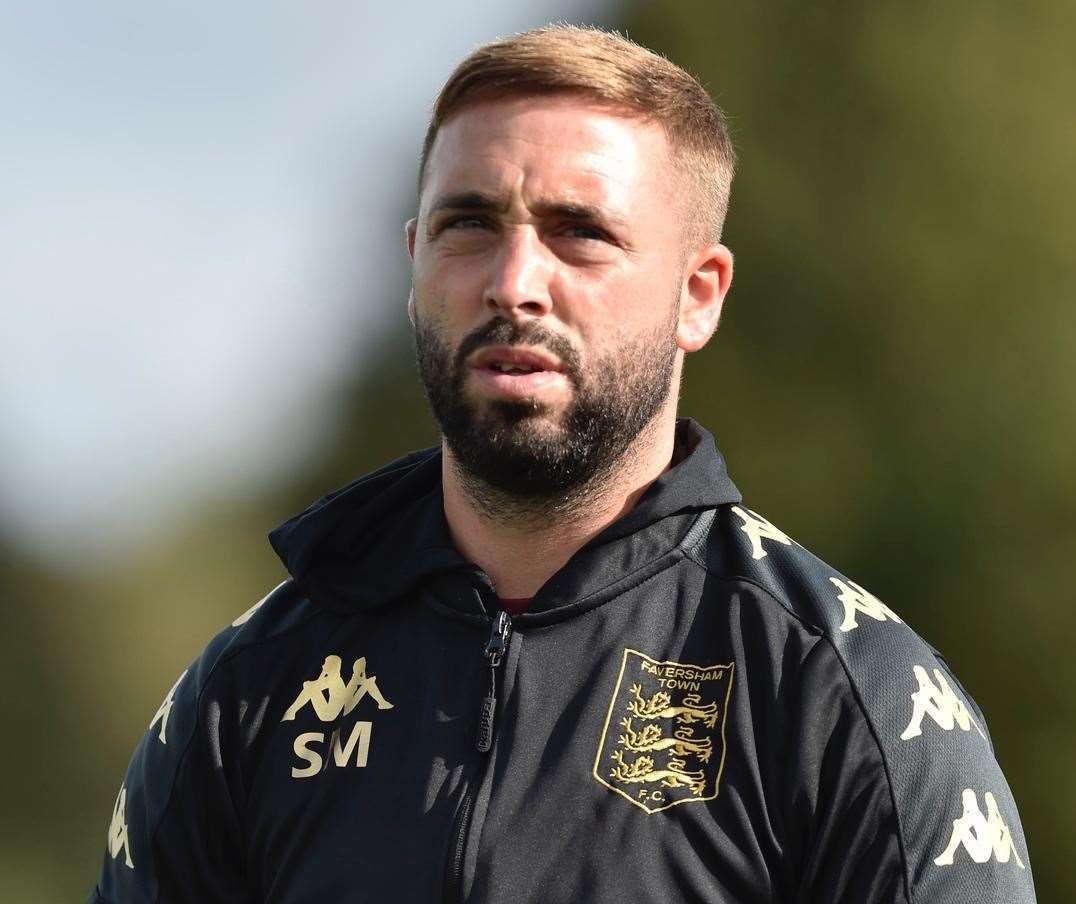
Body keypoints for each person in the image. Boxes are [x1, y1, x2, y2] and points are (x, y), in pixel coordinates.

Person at [89, 24, 1036, 904]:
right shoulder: (249, 691)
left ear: (697, 294)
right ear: (415, 264)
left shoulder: (846, 696)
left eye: (580, 233)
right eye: (469, 225)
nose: (513, 283)